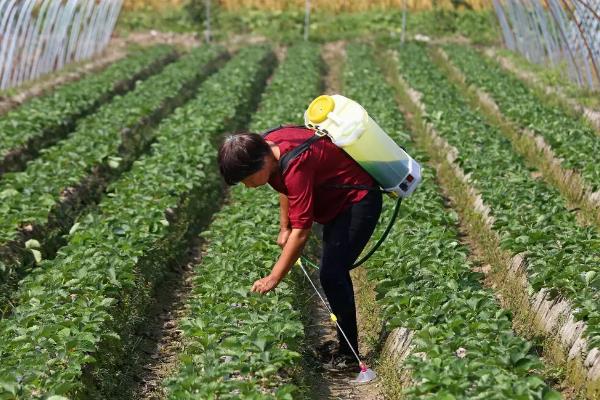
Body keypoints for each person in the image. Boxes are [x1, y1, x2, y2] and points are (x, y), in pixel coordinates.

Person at [217, 125, 382, 369]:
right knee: (333, 271)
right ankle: (346, 348)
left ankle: (349, 355)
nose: (248, 186)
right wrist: (285, 226)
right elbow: (284, 186)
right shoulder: (269, 146)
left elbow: (302, 232)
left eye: (246, 179)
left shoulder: (295, 163)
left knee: (332, 274)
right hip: (338, 202)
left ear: (260, 161)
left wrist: (274, 277)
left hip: (357, 200)